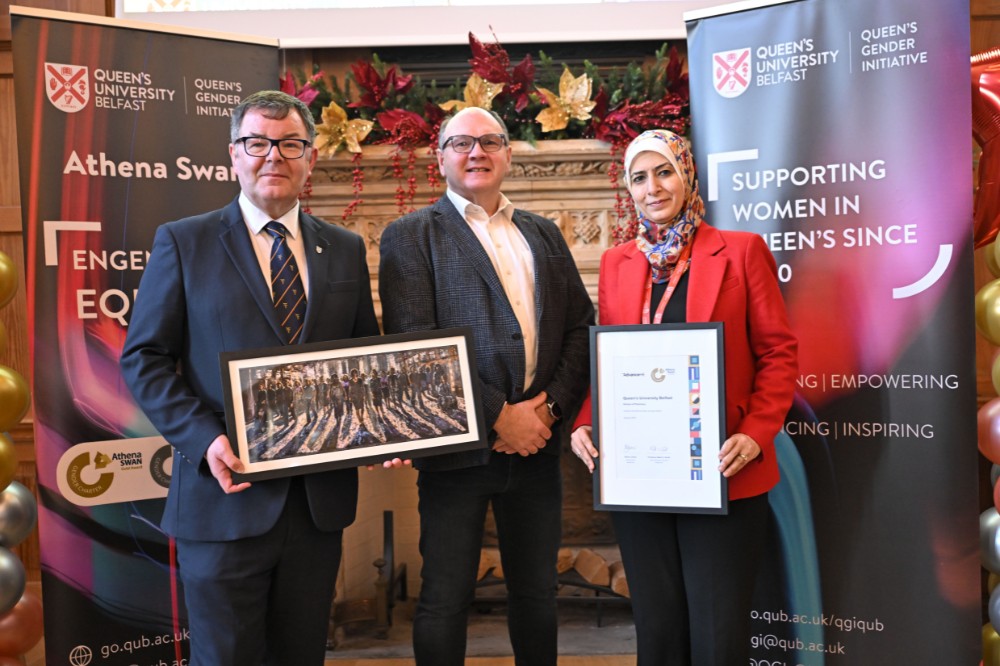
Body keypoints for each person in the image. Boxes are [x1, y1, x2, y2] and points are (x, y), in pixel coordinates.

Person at [119, 90, 383, 666]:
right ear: (233, 156)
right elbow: (144, 358)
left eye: (290, 144)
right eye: (257, 143)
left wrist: (386, 429)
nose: (273, 156)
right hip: (223, 496)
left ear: (310, 158)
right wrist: (204, 440)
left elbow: (364, 358)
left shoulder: (342, 249)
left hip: (315, 507)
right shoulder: (183, 242)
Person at [569, 129, 798, 665]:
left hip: (720, 470)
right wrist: (586, 420)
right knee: (658, 629)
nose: (653, 188)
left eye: (664, 171)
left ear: (687, 174)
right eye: (639, 177)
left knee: (718, 634)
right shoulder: (617, 262)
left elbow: (779, 354)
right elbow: (612, 363)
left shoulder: (741, 251)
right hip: (639, 476)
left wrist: (756, 433)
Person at [379, 106, 595, 666]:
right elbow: (415, 347)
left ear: (507, 152)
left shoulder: (543, 232)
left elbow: (580, 328)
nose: (477, 152)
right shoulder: (411, 236)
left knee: (537, 594)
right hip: (456, 455)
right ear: (441, 157)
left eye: (490, 141)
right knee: (444, 598)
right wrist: (501, 416)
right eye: (462, 142)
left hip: (536, 452)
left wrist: (546, 411)